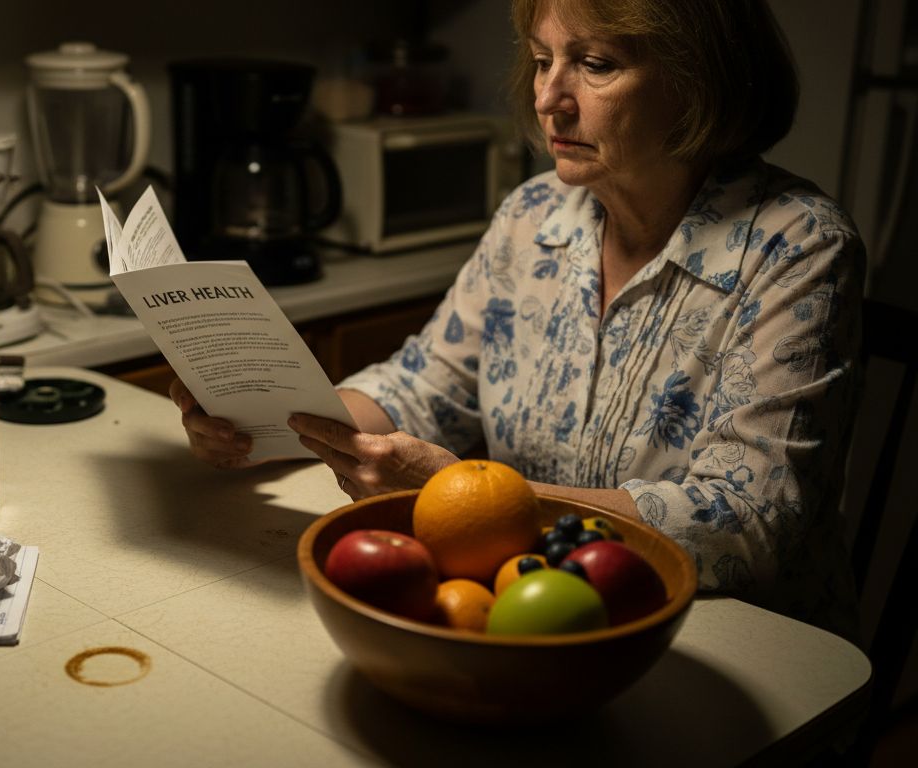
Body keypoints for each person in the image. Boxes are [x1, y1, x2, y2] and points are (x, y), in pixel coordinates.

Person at [170, 0, 865, 636]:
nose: (548, 99)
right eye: (541, 60)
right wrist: (255, 411)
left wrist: (477, 503)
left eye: (594, 65)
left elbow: (749, 527)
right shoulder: (534, 217)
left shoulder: (794, 245)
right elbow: (423, 384)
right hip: (536, 626)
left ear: (701, 80)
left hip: (738, 646)